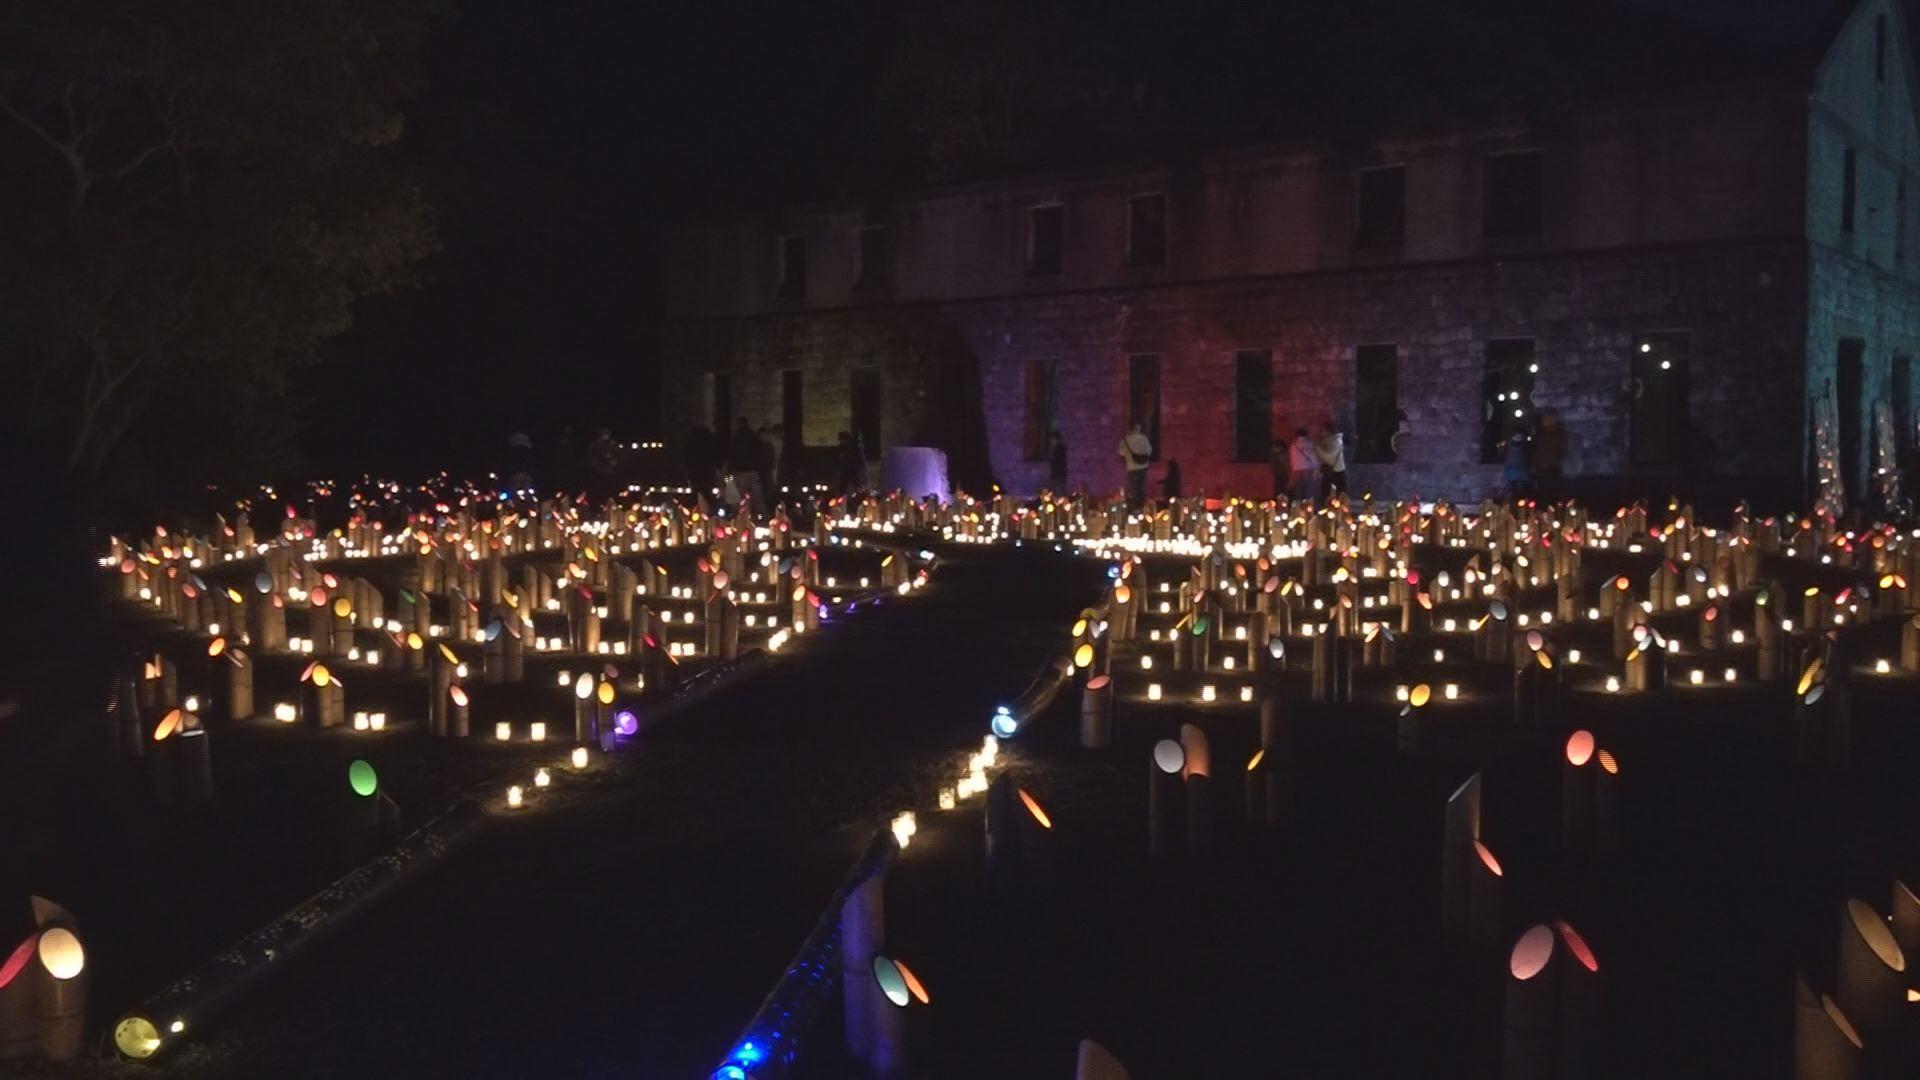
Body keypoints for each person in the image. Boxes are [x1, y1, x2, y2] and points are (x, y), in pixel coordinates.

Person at [1531, 408, 1567, 499]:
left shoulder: (1558, 434)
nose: (1545, 420)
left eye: (1547, 418)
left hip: (1552, 468)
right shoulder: (1541, 434)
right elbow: (1537, 450)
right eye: (1544, 418)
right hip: (1542, 468)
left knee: (1551, 493)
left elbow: (1561, 450)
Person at [729, 418, 763, 508]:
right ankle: (756, 512)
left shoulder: (737, 438)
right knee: (755, 495)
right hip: (752, 470)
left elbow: (733, 454)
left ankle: (741, 513)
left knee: (739, 495)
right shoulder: (753, 437)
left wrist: (731, 468)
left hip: (740, 470)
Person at [1118, 422, 1153, 505]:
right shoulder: (1143, 439)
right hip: (1143, 466)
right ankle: (1142, 505)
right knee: (1141, 488)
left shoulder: (1125, 440)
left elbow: (1121, 452)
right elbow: (1149, 451)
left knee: (1134, 488)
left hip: (1131, 467)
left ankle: (1135, 506)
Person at [683, 424, 718, 496]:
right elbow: (714, 454)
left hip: (695, 470)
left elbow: (686, 455)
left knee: (696, 491)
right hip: (707, 470)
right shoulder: (710, 440)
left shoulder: (690, 440)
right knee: (708, 492)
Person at [1501, 423, 1533, 500]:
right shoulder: (1511, 445)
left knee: (1518, 491)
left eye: (1519, 436)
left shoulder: (1524, 446)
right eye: (1516, 436)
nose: (1518, 438)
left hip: (1519, 471)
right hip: (1515, 471)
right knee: (1514, 490)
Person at [1315, 422, 1347, 498]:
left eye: (1322, 431)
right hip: (1329, 472)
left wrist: (1318, 449)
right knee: (1326, 495)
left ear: (1328, 432)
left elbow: (1330, 459)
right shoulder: (1328, 442)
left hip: (1336, 473)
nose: (1321, 433)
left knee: (1335, 496)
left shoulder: (1336, 442)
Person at [1287, 428, 1319, 502]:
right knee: (1308, 493)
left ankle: (1297, 509)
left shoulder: (1293, 446)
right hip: (1309, 470)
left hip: (1296, 471)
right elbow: (1313, 457)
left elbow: (1292, 459)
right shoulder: (1309, 444)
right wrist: (1317, 468)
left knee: (1298, 493)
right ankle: (1308, 509)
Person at [1269, 436, 1291, 500]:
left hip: (1281, 474)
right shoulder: (1277, 454)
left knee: (1280, 490)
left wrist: (1288, 473)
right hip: (1279, 474)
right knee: (1279, 490)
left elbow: (1285, 465)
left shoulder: (1280, 455)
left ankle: (1280, 503)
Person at [1047, 430, 1068, 494]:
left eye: (1052, 439)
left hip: (1058, 475)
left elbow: (1058, 462)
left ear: (1056, 439)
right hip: (1056, 475)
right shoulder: (1055, 449)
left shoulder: (1059, 449)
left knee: (1058, 492)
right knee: (1054, 491)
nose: (1051, 441)